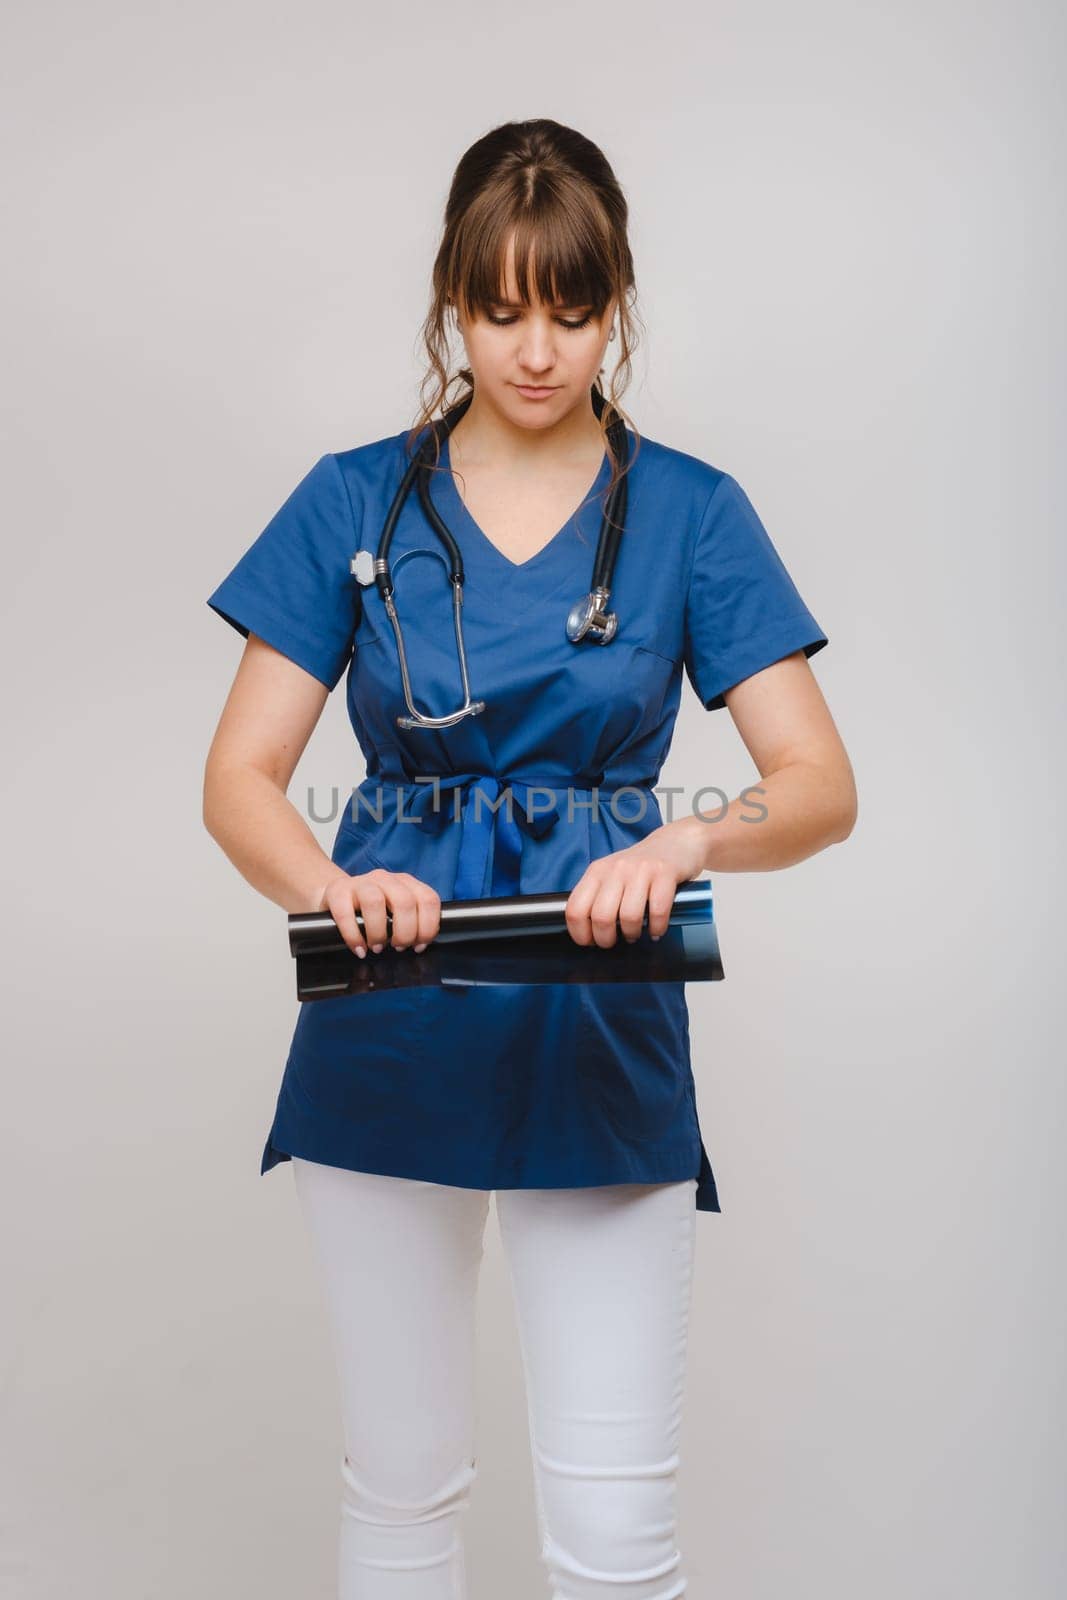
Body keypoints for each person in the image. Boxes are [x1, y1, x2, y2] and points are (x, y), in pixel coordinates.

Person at [203, 118, 856, 1600]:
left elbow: (818, 785)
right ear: (451, 305)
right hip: (391, 1007)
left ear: (615, 302)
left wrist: (691, 831)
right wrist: (331, 886)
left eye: (571, 308)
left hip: (600, 1022)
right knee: (403, 1490)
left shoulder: (693, 511)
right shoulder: (352, 502)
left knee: (615, 1534)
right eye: (501, 310)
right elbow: (238, 782)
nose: (538, 349)